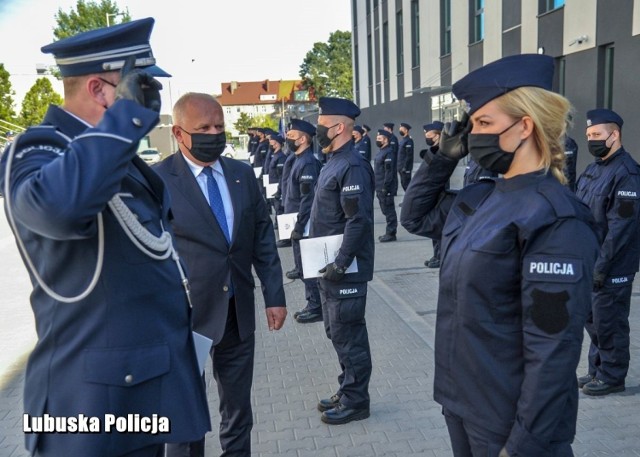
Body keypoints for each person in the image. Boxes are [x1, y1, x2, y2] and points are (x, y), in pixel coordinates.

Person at [0, 18, 211, 457]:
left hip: (141, 390)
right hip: (91, 411)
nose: (150, 103)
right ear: (100, 90)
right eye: (142, 89)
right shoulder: (37, 152)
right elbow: (58, 209)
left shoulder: (115, 156)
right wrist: (125, 118)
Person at [400, 54, 599, 456]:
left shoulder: (553, 216)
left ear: (524, 125)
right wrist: (443, 157)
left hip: (510, 421)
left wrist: (524, 445)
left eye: (484, 124)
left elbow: (554, 349)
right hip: (462, 401)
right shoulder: (481, 197)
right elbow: (415, 216)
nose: (474, 135)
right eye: (472, 125)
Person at [153, 93, 287, 457]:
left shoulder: (241, 174)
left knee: (238, 410)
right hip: (185, 319)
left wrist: (274, 295)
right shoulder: (157, 181)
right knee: (184, 415)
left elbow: (262, 236)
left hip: (236, 313)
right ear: (179, 134)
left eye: (219, 126)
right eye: (204, 128)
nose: (214, 134)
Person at [310, 96, 375, 425]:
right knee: (336, 332)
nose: (317, 131)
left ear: (338, 127)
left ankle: (357, 401)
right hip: (330, 268)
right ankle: (347, 388)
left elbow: (357, 221)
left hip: (344, 270)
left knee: (349, 336)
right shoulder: (332, 161)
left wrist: (340, 262)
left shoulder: (352, 165)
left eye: (322, 125)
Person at [575, 108, 640, 396]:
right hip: (589, 259)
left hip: (613, 263)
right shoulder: (593, 169)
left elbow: (621, 228)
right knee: (593, 318)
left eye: (597, 135)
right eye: (589, 135)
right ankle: (597, 368)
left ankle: (613, 376)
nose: (591, 140)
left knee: (609, 319)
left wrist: (601, 266)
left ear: (615, 135)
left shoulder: (626, 174)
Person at [283, 119, 323, 323]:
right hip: (297, 222)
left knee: (308, 267)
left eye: (291, 136)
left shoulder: (307, 162)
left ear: (303, 139)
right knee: (302, 266)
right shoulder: (299, 159)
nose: (287, 139)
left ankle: (316, 306)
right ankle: (313, 303)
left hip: (304, 224)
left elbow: (308, 199)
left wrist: (299, 226)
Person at [419, 121, 445, 268]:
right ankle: (436, 255)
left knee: (438, 225)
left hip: (438, 192)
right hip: (432, 193)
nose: (425, 136)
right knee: (433, 226)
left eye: (427, 134)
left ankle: (440, 256)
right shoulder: (435, 149)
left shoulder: (441, 151)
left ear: (436, 135)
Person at [374, 128, 398, 242]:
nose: (377, 140)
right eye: (377, 138)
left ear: (385, 140)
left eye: (379, 139)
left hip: (385, 188)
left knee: (389, 211)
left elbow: (389, 172)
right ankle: (389, 232)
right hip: (379, 186)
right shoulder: (382, 152)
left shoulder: (388, 153)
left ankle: (391, 233)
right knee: (385, 211)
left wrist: (386, 187)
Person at [267, 133, 287, 219]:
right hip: (272, 185)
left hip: (277, 186)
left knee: (279, 208)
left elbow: (281, 176)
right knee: (275, 205)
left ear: (277, 144)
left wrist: (279, 190)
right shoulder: (275, 155)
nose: (270, 145)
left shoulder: (281, 157)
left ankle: (278, 223)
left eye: (272, 143)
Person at [397, 122, 414, 191]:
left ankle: (411, 200)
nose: (400, 130)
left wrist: (405, 167)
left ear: (406, 130)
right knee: (404, 184)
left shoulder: (408, 141)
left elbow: (409, 155)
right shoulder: (403, 140)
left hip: (405, 168)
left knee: (407, 185)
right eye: (400, 129)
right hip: (401, 167)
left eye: (401, 129)